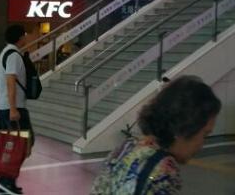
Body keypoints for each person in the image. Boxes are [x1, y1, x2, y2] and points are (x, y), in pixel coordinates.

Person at [91, 76, 221, 194]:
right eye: (204, 134)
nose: (201, 145)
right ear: (184, 128)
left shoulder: (127, 147)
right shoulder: (164, 171)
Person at [0, 25, 33, 195]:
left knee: (11, 145)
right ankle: (5, 183)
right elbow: (11, 81)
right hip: (12, 108)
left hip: (6, 106)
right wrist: (13, 109)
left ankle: (5, 183)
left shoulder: (7, 52)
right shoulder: (14, 55)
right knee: (20, 144)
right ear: (20, 37)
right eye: (25, 35)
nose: (26, 38)